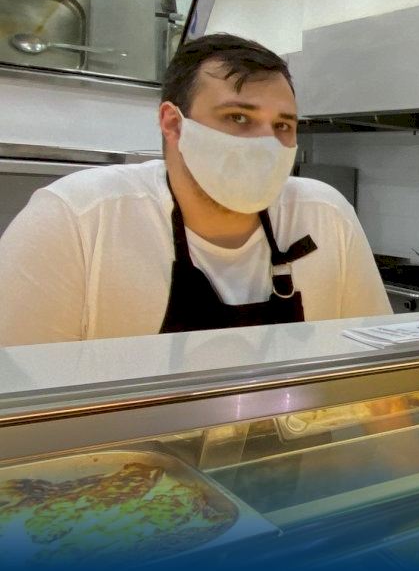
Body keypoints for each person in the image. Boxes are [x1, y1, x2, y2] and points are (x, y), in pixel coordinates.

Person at [0, 34, 390, 347]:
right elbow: (18, 392)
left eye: (283, 126)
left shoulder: (326, 214)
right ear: (173, 124)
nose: (267, 144)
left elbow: (377, 368)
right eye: (238, 117)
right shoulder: (77, 219)